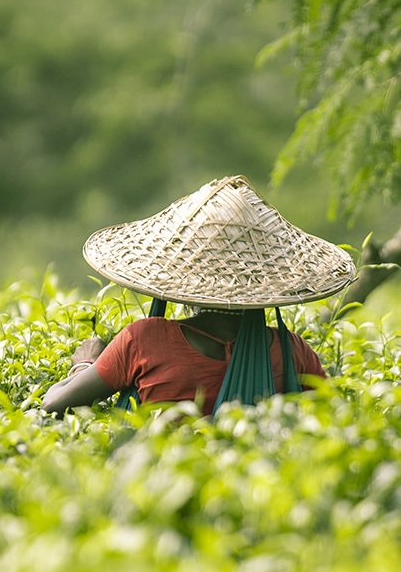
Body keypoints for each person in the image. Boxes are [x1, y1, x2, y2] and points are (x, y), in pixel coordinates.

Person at [41, 175, 356, 417]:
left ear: (182, 280)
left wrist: (83, 365)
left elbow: (54, 404)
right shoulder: (291, 351)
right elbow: (333, 422)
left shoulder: (144, 340)